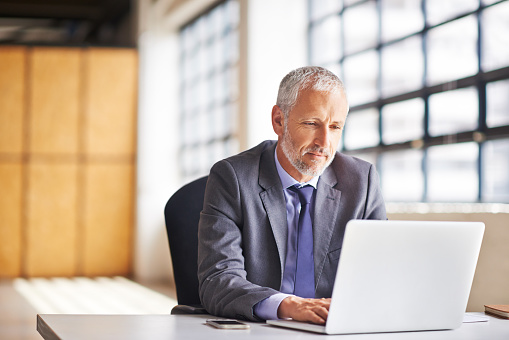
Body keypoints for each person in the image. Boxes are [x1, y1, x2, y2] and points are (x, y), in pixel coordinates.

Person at [197, 66, 387, 324]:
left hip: (334, 329)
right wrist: (287, 306)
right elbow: (218, 280)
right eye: (311, 123)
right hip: (260, 329)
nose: (324, 142)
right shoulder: (232, 178)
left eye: (335, 127)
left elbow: (381, 274)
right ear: (279, 120)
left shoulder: (361, 181)